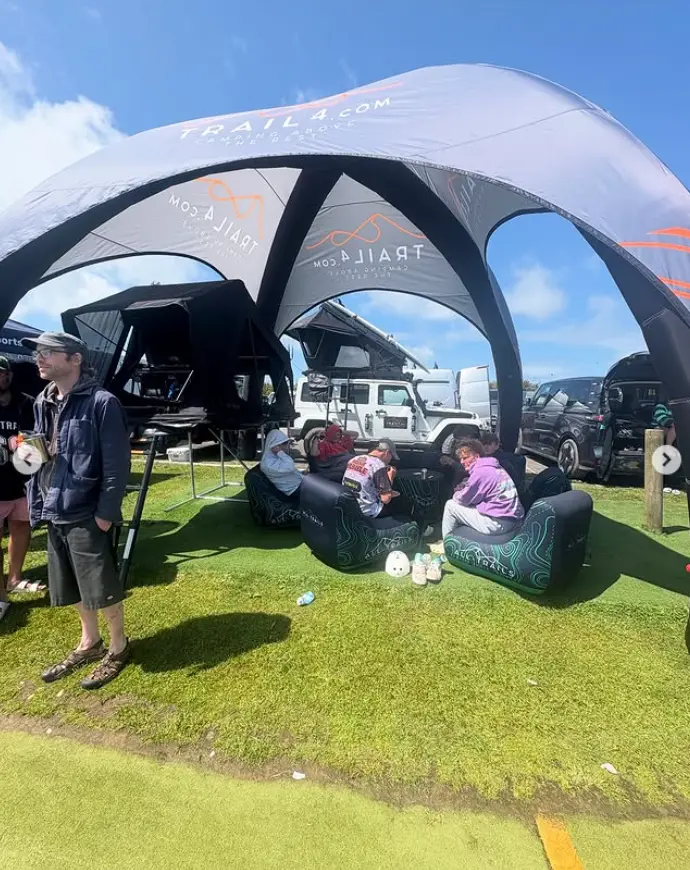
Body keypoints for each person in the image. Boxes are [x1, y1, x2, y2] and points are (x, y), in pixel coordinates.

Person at [21, 331, 132, 689]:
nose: (40, 358)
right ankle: (89, 642)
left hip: (86, 509)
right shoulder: (42, 401)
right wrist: (25, 454)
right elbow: (38, 456)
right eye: (38, 352)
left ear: (75, 359)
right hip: (53, 505)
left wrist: (105, 513)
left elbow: (117, 464)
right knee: (69, 583)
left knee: (101, 586)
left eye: (49, 352)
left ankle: (118, 646)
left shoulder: (102, 403)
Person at [0, 356, 37, 622]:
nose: (1, 377)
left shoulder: (26, 403)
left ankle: (15, 579)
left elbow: (35, 437)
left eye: (3, 372)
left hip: (21, 480)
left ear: (10, 375)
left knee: (21, 526)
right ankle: (1, 595)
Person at [441, 438, 524, 539]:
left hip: (498, 523)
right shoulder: (494, 467)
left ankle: (448, 543)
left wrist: (457, 492)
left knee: (450, 505)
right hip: (512, 520)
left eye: (465, 458)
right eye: (461, 459)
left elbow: (462, 499)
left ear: (476, 456)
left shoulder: (480, 473)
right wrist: (466, 485)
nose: (462, 462)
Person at [342, 438, 409, 522]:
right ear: (387, 453)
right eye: (391, 457)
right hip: (368, 511)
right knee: (401, 502)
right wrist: (390, 478)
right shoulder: (378, 466)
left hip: (350, 505)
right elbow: (386, 499)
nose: (390, 460)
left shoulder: (354, 459)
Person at [260, 429, 304, 501]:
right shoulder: (268, 463)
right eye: (284, 443)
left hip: (300, 484)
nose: (287, 446)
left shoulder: (276, 457)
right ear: (274, 445)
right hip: (294, 489)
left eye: (287, 443)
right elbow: (290, 468)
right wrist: (280, 452)